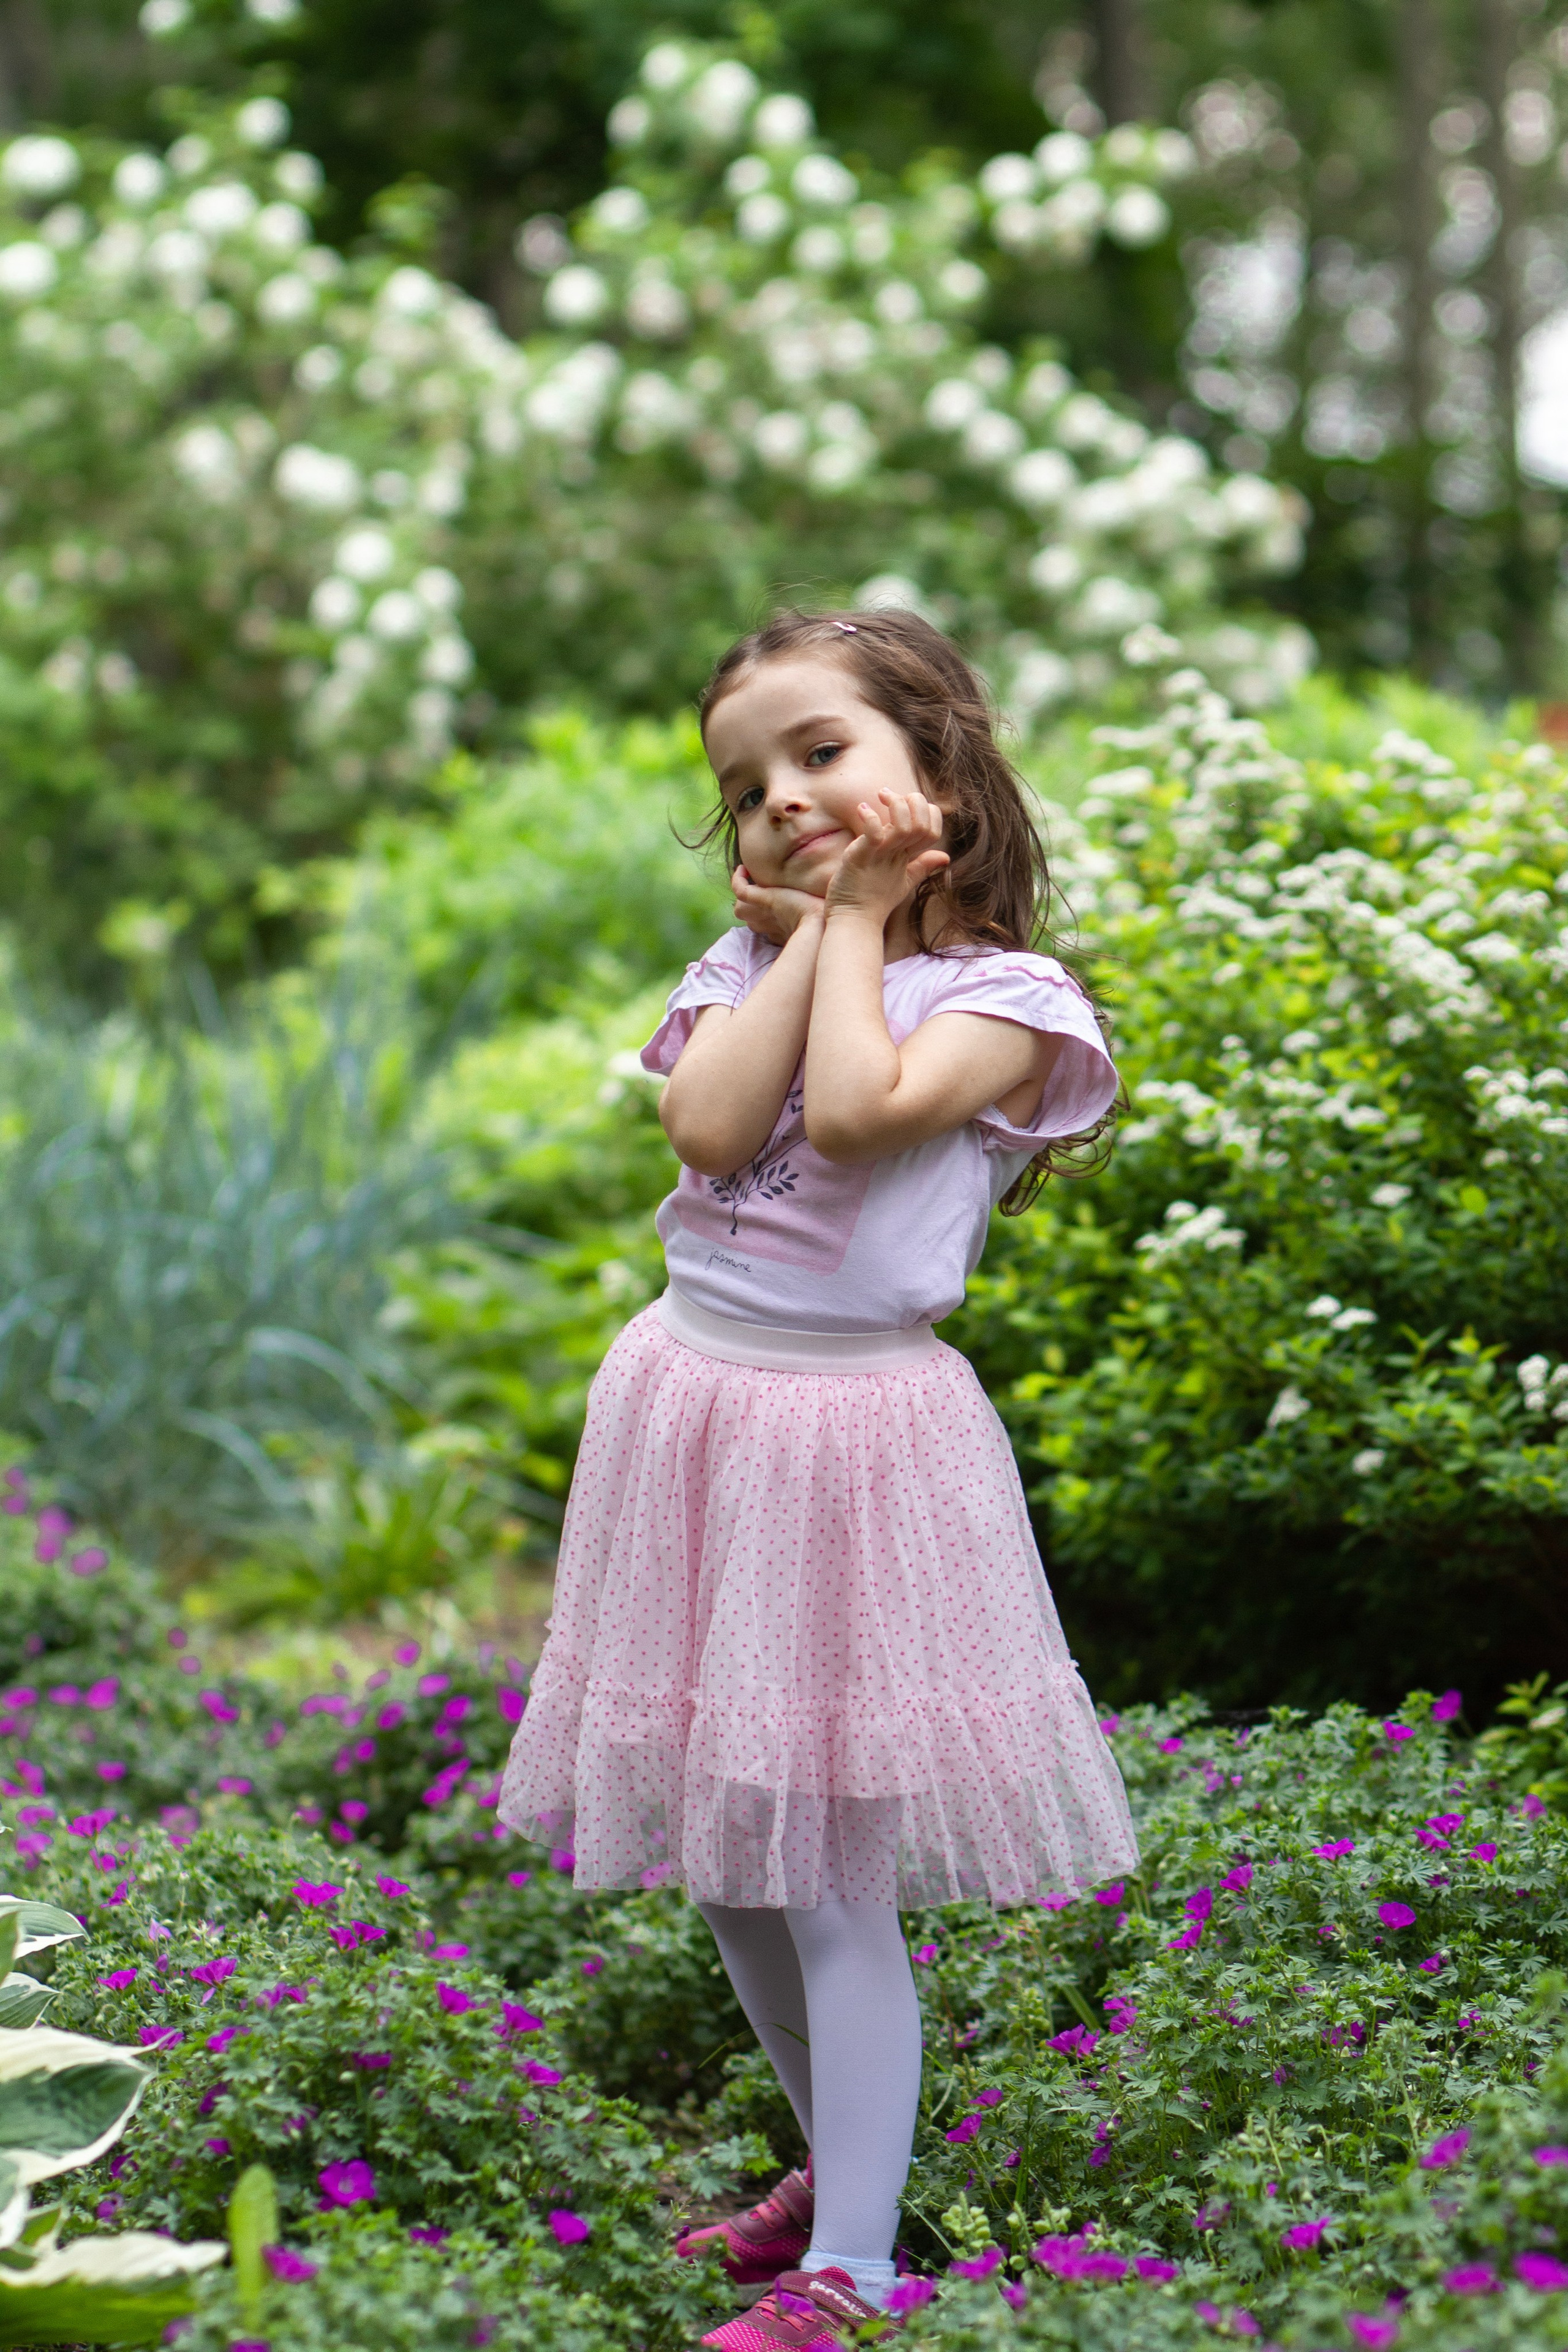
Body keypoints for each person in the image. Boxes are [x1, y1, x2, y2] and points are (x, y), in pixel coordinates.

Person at [497, 607, 1137, 2350]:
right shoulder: (748, 962)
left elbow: (855, 1115)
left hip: (850, 1446)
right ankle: (843, 2173)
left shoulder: (1005, 1000)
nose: (781, 797)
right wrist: (809, 937)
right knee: (734, 1854)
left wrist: (849, 925)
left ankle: (855, 2272)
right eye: (748, 782)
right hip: (691, 1409)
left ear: (940, 767)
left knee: (829, 1867)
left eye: (822, 752)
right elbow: (712, 1132)